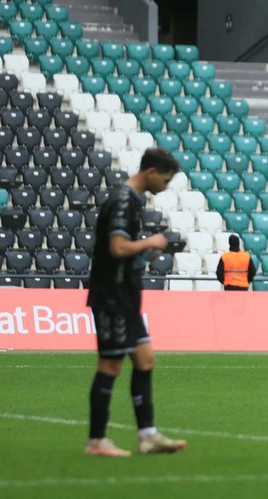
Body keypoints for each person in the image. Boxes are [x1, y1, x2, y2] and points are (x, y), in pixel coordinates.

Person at [85, 148, 187, 457]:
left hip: (126, 296)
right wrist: (152, 242)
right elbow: (116, 248)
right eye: (166, 180)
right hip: (112, 295)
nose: (166, 187)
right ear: (151, 172)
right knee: (111, 364)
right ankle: (96, 441)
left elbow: (123, 249)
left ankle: (148, 436)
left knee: (145, 360)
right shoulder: (123, 200)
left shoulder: (133, 201)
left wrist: (143, 252)